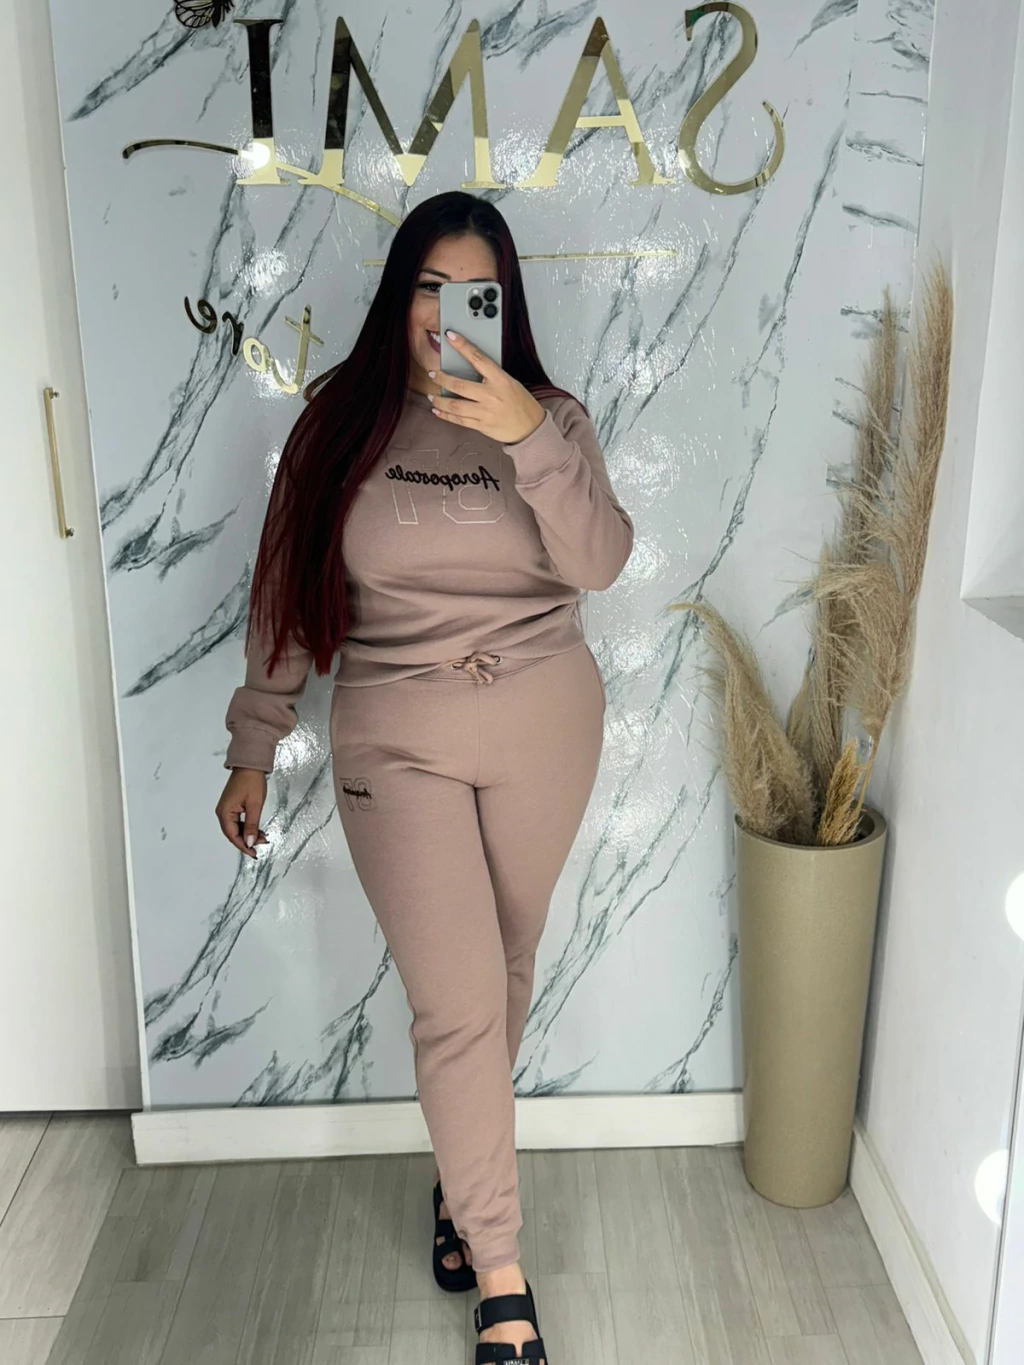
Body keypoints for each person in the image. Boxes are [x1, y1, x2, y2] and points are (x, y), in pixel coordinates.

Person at [214, 189, 634, 1364]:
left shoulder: (554, 418)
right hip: (395, 735)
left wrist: (526, 435)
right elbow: (285, 592)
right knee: (456, 1000)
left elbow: (601, 560)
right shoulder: (338, 426)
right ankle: (500, 1273)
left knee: (503, 973)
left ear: (507, 302)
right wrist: (254, 742)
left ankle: (462, 1184)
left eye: (474, 294)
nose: (448, 316)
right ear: (399, 296)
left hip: (544, 723)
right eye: (428, 290)